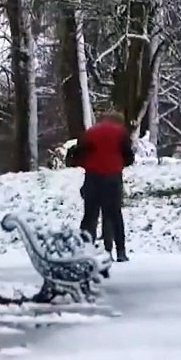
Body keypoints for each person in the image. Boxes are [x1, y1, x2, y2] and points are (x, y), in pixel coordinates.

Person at [71, 111, 135, 262]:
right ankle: (119, 251)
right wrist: (119, 164)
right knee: (114, 214)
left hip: (93, 177)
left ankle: (85, 249)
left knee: (90, 215)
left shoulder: (90, 132)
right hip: (113, 176)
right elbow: (128, 156)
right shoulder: (121, 132)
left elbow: (79, 154)